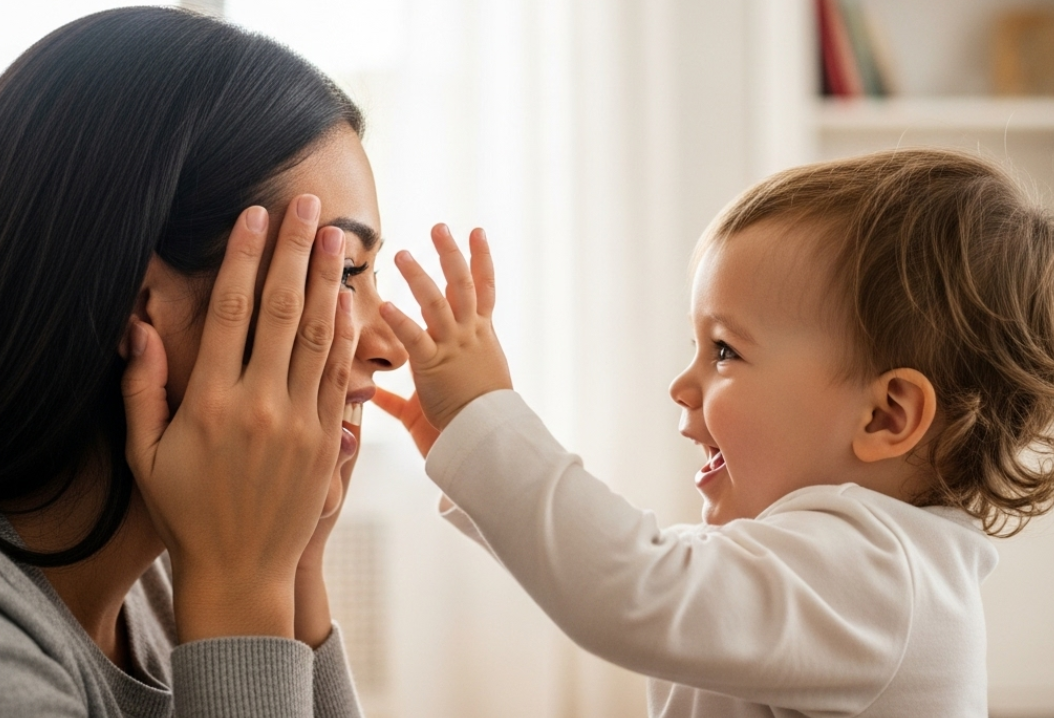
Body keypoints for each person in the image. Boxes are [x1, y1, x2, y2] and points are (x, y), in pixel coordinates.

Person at [377, 148, 1054, 717]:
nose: (683, 384)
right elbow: (623, 572)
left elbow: (630, 585)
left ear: (885, 416)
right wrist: (473, 465)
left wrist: (486, 420)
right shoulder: (833, 563)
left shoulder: (882, 576)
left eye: (725, 350)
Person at [0, 6, 406, 716]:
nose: (389, 347)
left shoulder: (156, 587)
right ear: (143, 304)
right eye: (341, 272)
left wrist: (293, 572)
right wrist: (242, 589)